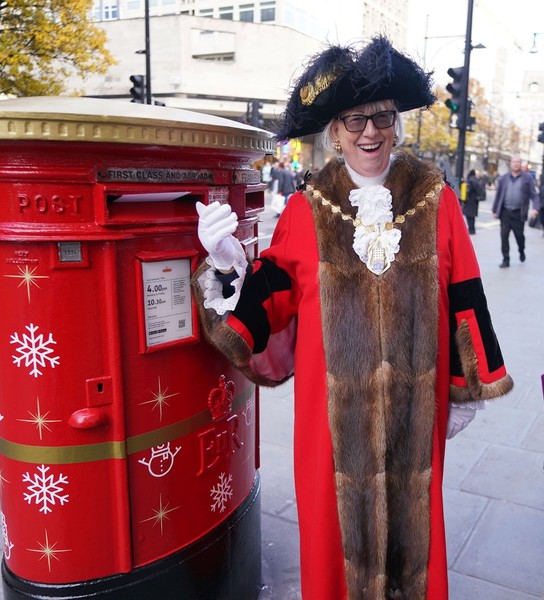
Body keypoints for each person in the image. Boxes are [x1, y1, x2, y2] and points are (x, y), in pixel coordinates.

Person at [192, 37, 513, 600]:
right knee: (331, 543)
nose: (370, 131)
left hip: (417, 416)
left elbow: (465, 292)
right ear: (334, 133)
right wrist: (226, 269)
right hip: (331, 426)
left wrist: (468, 387)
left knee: (415, 544)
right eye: (353, 120)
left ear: (397, 124)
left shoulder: (436, 198)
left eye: (382, 117)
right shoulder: (305, 209)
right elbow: (271, 301)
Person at [492, 154, 540, 268]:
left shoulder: (527, 178)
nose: (516, 164)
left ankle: (521, 250)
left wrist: (536, 208)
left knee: (519, 236)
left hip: (519, 213)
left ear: (520, 163)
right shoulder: (503, 178)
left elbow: (534, 194)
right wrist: (495, 210)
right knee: (504, 235)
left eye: (518, 162)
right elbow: (498, 195)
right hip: (505, 212)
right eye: (514, 162)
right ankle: (506, 259)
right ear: (511, 164)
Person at [464, 169, 485, 234]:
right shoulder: (476, 180)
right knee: (472, 216)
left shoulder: (470, 180)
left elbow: (468, 191)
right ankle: (472, 229)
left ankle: (470, 229)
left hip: (470, 201)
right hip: (475, 201)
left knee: (469, 216)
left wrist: (465, 200)